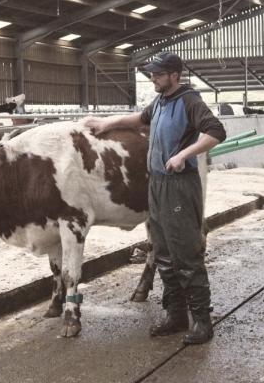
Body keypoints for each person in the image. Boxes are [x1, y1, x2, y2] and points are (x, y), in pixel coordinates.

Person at [84, 51, 226, 345]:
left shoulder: (189, 100)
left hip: (179, 186)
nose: (153, 78)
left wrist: (183, 155)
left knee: (185, 252)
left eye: (158, 74)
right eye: (152, 73)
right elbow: (139, 118)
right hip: (157, 185)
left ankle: (202, 321)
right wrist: (106, 123)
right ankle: (175, 315)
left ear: (175, 75)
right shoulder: (161, 101)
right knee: (162, 252)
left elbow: (216, 131)